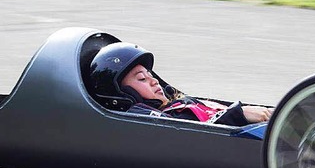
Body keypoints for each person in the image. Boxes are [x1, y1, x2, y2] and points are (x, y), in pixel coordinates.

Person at [88, 42, 272, 126]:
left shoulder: (176, 103)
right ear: (123, 94)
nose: (153, 81)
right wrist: (238, 113)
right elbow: (185, 134)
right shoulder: (143, 118)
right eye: (142, 79)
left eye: (150, 74)